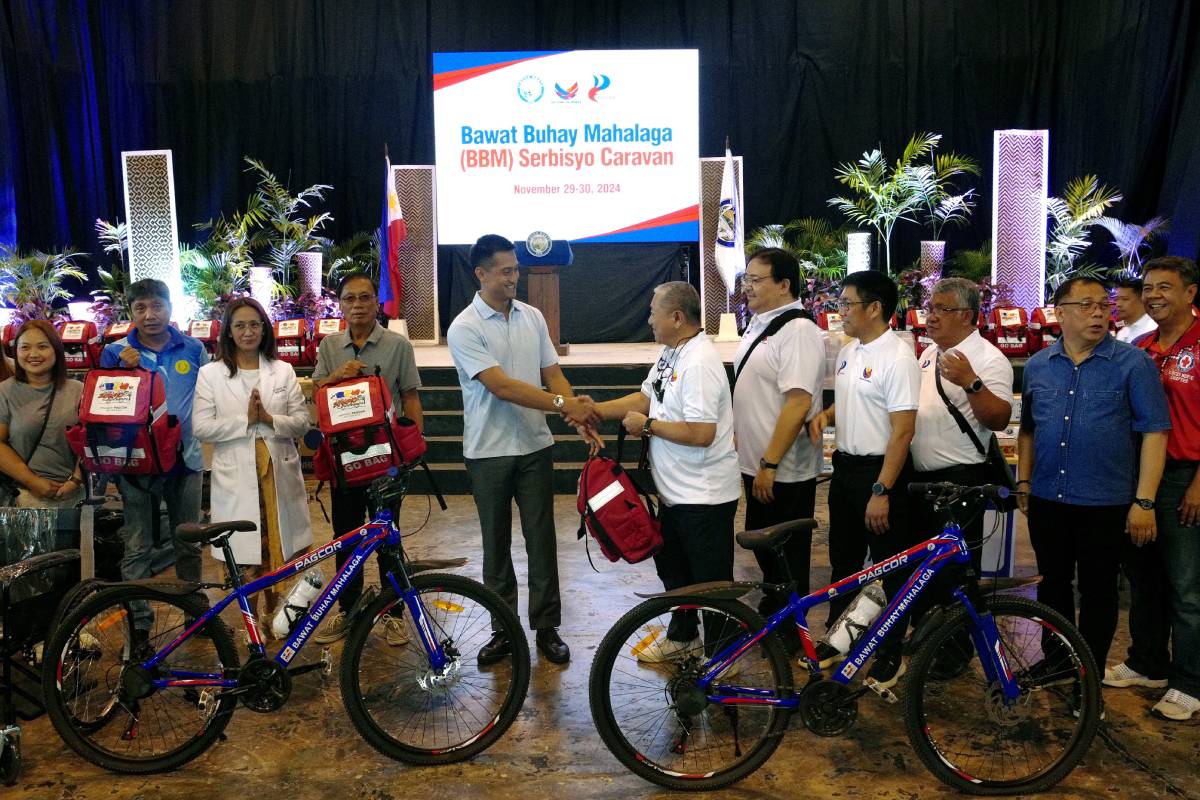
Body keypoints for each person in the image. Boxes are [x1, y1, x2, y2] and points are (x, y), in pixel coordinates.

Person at [1016, 276, 1169, 705]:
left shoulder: (1132, 365)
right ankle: (1057, 663)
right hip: (1048, 497)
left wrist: (1144, 501)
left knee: (1099, 592)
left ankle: (1089, 676)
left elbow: (1156, 433)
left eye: (1104, 305)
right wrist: (1024, 480)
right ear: (1059, 312)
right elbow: (1028, 429)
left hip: (1107, 501)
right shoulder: (1039, 366)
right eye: (1086, 305)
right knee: (1053, 587)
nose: (1099, 313)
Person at [447, 235, 593, 665]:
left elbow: (553, 374)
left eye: (516, 269)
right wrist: (566, 405)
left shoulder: (532, 317)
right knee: (495, 546)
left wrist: (578, 416)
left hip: (534, 447)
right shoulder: (464, 327)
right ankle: (503, 630)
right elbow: (502, 386)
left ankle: (547, 628)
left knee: (541, 540)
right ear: (482, 274)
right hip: (487, 451)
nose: (515, 277)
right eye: (506, 270)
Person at [591, 281, 741, 662]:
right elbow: (645, 398)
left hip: (703, 496)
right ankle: (683, 637)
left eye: (654, 312)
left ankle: (723, 656)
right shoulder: (672, 354)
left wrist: (648, 427)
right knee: (676, 572)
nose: (648, 319)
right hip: (675, 493)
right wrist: (592, 409)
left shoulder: (700, 362)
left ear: (677, 317)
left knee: (710, 583)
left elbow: (702, 433)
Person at [806, 270, 920, 691]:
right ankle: (837, 642)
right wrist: (827, 416)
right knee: (844, 563)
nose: (840, 311)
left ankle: (890, 653)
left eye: (847, 304)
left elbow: (903, 429)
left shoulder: (897, 356)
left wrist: (882, 490)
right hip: (847, 471)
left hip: (880, 476)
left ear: (875, 308)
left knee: (892, 569)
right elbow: (856, 398)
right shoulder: (850, 351)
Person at [1106, 256, 1200, 721]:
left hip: (1186, 477)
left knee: (1186, 586)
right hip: (1141, 477)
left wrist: (1199, 485)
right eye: (1149, 288)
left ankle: (1190, 682)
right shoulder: (1140, 347)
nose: (1154, 295)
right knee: (1143, 577)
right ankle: (1148, 662)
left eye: (1165, 287)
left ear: (1190, 293)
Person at [310, 272, 423, 644]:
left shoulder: (396, 346)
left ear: (377, 302)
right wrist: (335, 376)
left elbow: (410, 397)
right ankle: (348, 610)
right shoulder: (329, 347)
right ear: (340, 304)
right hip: (344, 462)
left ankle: (392, 613)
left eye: (364, 298)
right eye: (349, 299)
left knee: (388, 539)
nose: (357, 305)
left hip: (385, 460)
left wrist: (413, 448)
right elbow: (318, 394)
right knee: (347, 537)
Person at [192, 298, 314, 630]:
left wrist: (270, 419)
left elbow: (302, 422)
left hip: (277, 474)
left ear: (265, 329)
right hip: (236, 477)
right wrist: (245, 422)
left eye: (255, 325)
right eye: (240, 325)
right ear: (228, 332)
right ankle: (252, 623)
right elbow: (201, 427)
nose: (248, 332)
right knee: (246, 553)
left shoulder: (283, 370)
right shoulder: (210, 374)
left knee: (276, 547)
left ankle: (275, 616)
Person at [732, 249, 825, 649]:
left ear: (784, 284)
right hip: (758, 464)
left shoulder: (799, 330)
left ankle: (790, 633)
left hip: (783, 470)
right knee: (766, 548)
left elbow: (799, 401)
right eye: (746, 279)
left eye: (756, 280)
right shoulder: (760, 324)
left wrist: (770, 462)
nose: (747, 287)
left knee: (786, 555)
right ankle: (776, 616)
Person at [100, 279, 208, 596]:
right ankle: (141, 629)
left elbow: (212, 394)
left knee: (188, 541)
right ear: (131, 312)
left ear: (170, 307)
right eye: (141, 307)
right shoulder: (115, 352)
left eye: (157, 305)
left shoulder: (194, 348)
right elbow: (104, 407)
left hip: (185, 461)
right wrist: (123, 370)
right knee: (137, 545)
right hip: (135, 465)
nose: (150, 315)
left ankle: (198, 615)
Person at [910, 278, 1014, 570]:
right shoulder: (929, 353)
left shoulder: (990, 359)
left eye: (941, 309)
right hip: (922, 483)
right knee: (923, 577)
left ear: (966, 315)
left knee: (955, 577)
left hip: (960, 486)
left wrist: (971, 382)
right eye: (930, 307)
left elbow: (999, 419)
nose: (930, 316)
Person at [0, 320, 85, 508]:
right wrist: (32, 481)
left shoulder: (78, 390)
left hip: (73, 495)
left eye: (42, 347)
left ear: (56, 350)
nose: (33, 354)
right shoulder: (4, 392)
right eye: (25, 348)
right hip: (23, 497)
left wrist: (76, 480)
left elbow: (91, 440)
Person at [1114, 275, 1157, 343]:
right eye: (1117, 299)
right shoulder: (1121, 335)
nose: (1118, 304)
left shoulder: (1154, 329)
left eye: (1125, 299)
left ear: (1142, 299)